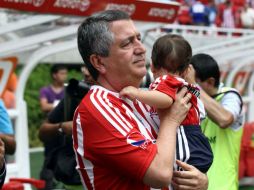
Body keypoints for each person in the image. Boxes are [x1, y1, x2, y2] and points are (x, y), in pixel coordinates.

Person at [73, 10, 208, 189]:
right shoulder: (97, 109)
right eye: (127, 43)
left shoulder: (143, 97)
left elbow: (175, 160)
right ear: (99, 62)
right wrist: (172, 119)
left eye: (138, 38)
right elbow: (160, 174)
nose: (142, 48)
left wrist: (201, 181)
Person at [120, 34, 213, 173]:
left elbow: (165, 99)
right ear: (187, 70)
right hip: (195, 137)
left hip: (183, 136)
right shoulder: (185, 86)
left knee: (172, 168)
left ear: (152, 66)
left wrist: (137, 93)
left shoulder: (165, 80)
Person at [190, 53, 244, 190]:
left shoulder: (231, 96)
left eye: (195, 82)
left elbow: (225, 119)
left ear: (210, 82)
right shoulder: (193, 99)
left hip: (223, 186)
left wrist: (193, 86)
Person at [39, 66, 92, 190]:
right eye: (86, 69)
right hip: (72, 177)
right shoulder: (73, 94)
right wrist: (62, 127)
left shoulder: (122, 97)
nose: (86, 73)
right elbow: (42, 131)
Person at [39, 64, 68, 190]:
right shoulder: (45, 90)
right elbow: (44, 107)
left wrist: (53, 105)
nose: (64, 76)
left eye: (65, 73)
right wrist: (61, 105)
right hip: (51, 131)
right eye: (62, 73)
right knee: (49, 161)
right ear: (54, 75)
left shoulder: (67, 90)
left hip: (66, 133)